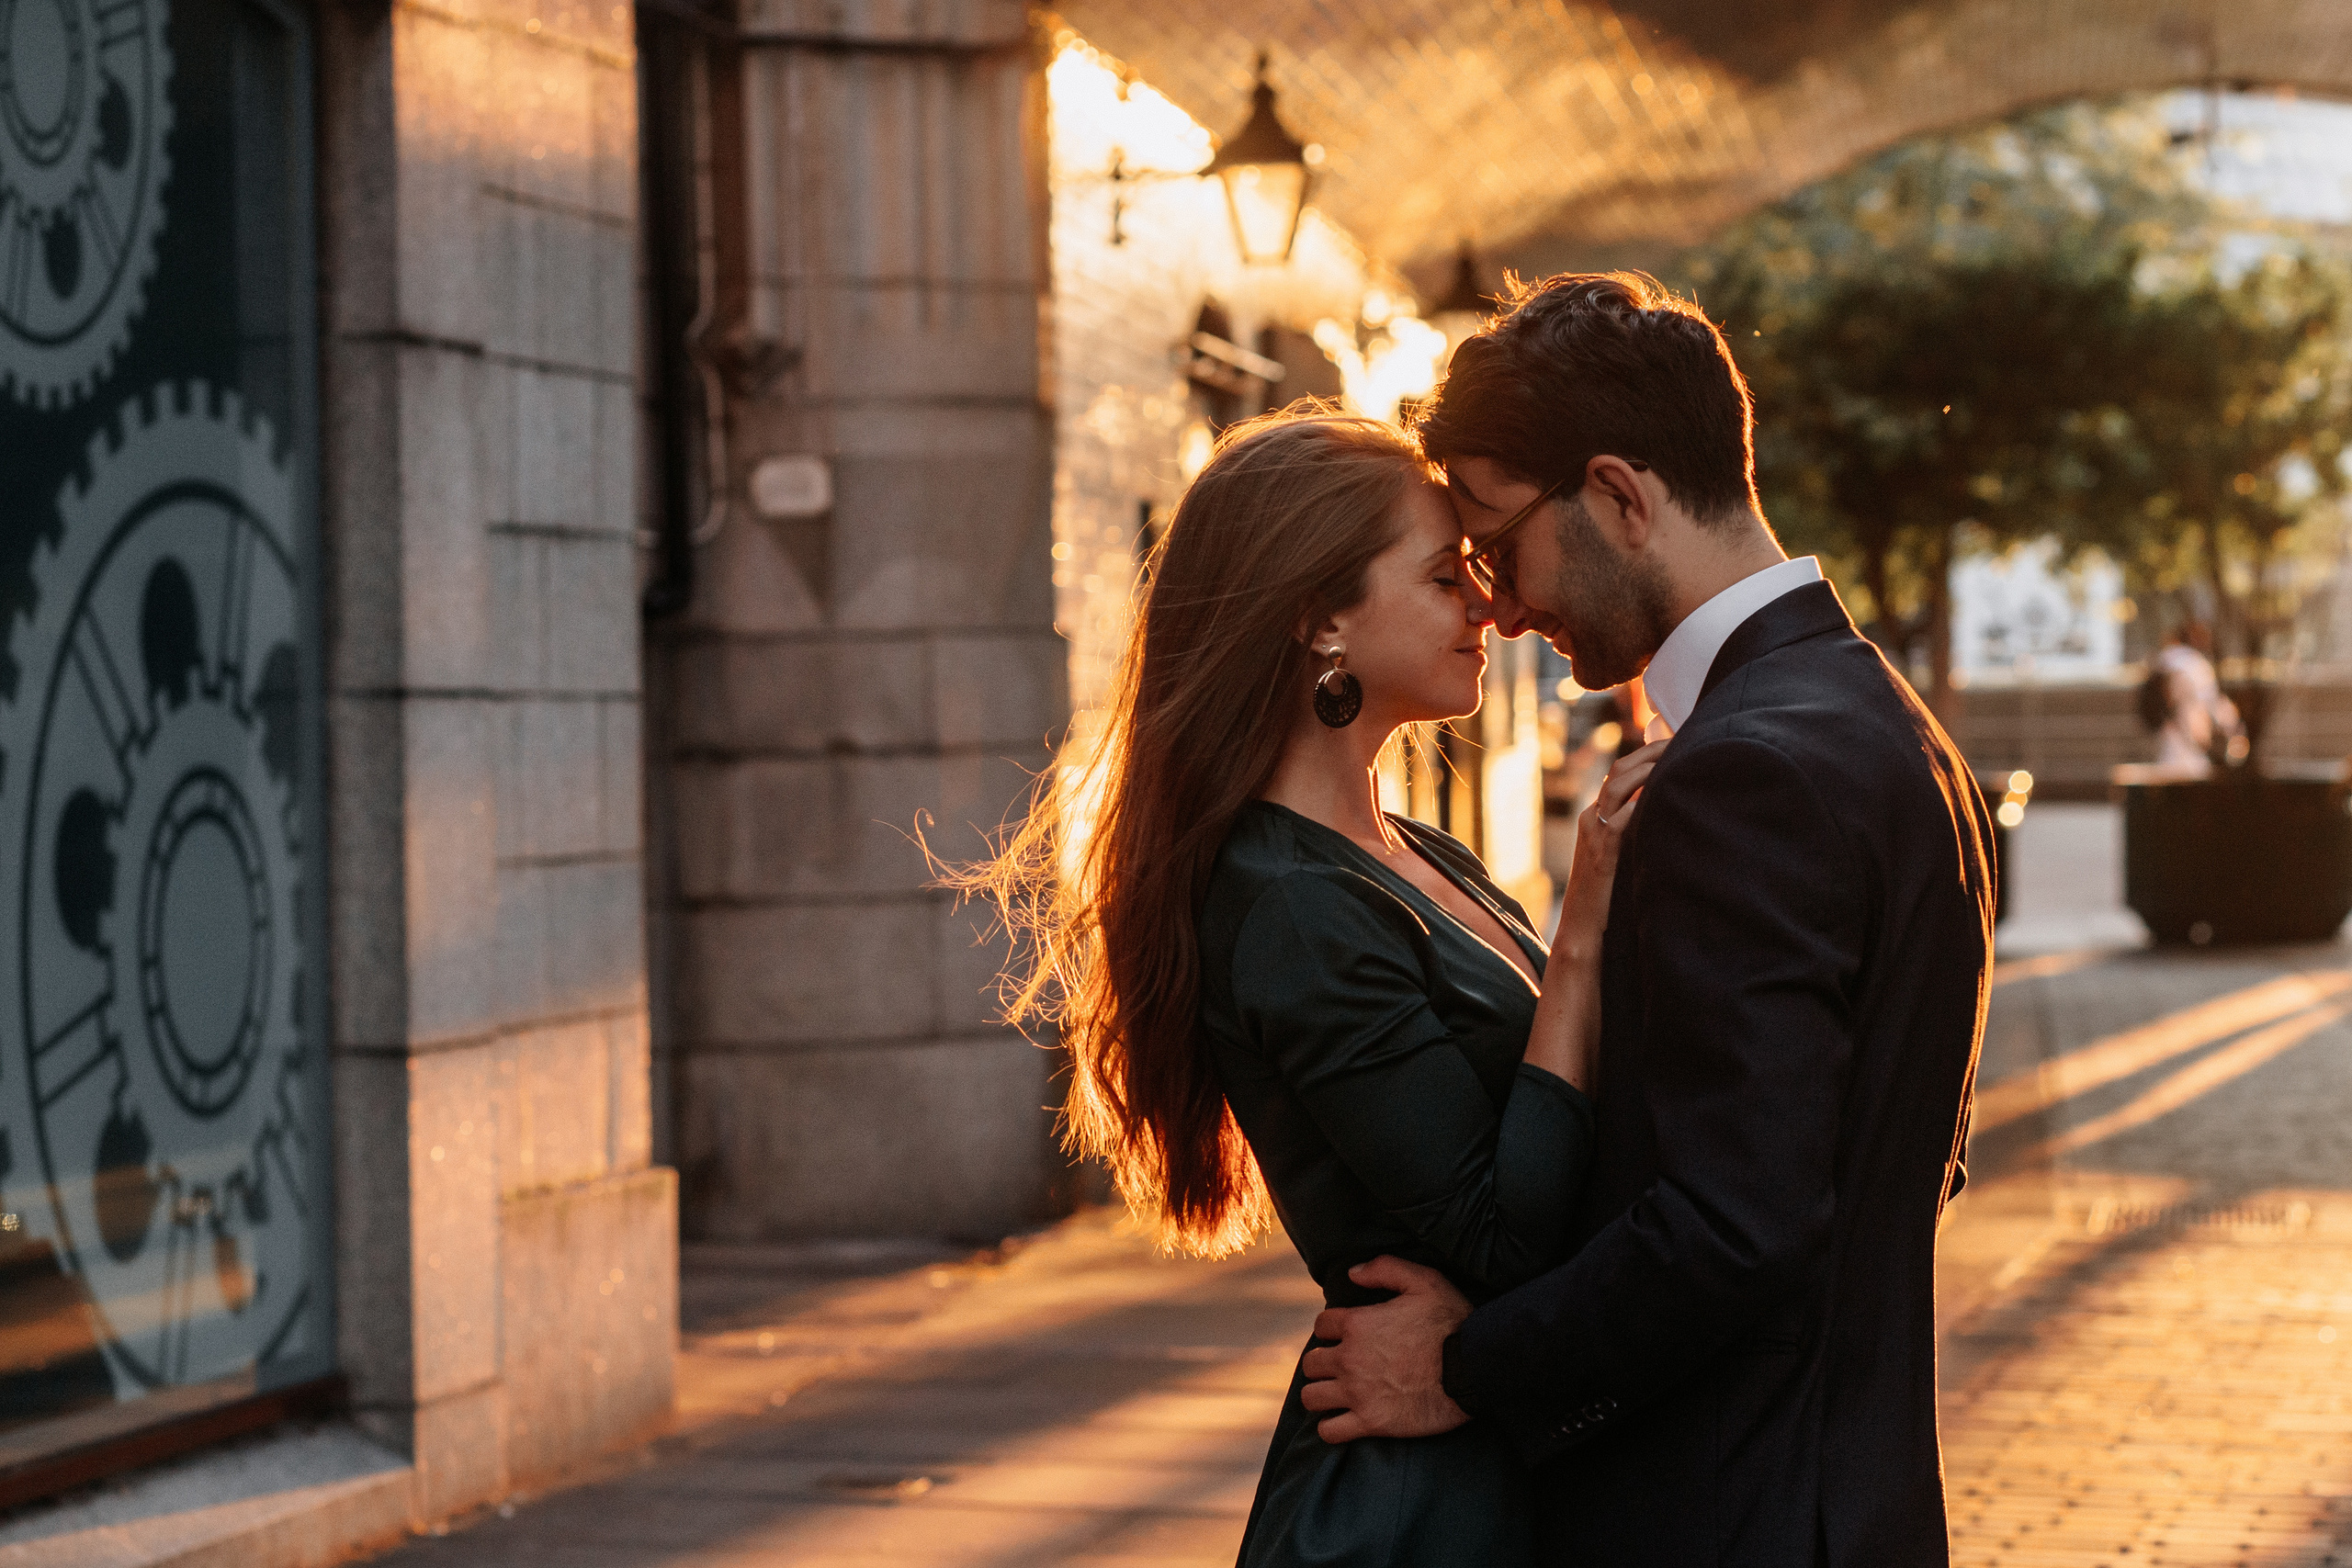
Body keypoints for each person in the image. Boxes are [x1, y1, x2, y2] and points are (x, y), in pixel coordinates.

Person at [1297, 273, 1996, 1566]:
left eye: (1501, 548)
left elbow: (1738, 1221)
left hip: (1727, 1515)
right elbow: (1887, 1159)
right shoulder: (1893, 730)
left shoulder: (1747, 772)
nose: (1498, 608)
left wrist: (1470, 1361)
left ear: (1619, 494)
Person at [953, 408, 1661, 1566]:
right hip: (1414, 1512)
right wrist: (1581, 932)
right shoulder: (1290, 903)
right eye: (1444, 578)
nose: (1487, 608)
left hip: (1493, 1464)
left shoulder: (1421, 855)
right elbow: (1499, 1231)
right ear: (1319, 615)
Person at [2153, 621, 2245, 773]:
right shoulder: (2196, 666)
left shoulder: (2165, 661)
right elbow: (2206, 702)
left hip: (2174, 732)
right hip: (2187, 731)